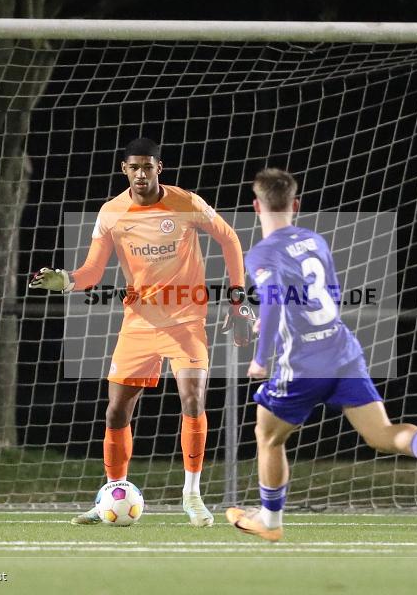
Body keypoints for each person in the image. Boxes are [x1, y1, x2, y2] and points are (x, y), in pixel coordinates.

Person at [225, 168, 417, 542]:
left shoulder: (263, 253)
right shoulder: (315, 241)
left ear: (255, 206)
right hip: (342, 351)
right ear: (295, 204)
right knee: (382, 433)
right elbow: (330, 291)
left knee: (268, 437)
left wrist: (260, 357)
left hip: (301, 364)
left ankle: (270, 520)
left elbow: (273, 301)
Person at [29, 138, 253, 527]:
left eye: (148, 167)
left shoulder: (186, 202)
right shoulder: (112, 213)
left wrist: (237, 298)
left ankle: (193, 496)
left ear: (158, 168)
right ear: (125, 170)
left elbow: (229, 238)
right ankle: (111, 496)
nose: (142, 173)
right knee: (116, 410)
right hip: (139, 323)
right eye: (135, 167)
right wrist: (65, 280)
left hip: (186, 320)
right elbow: (93, 271)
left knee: (193, 398)